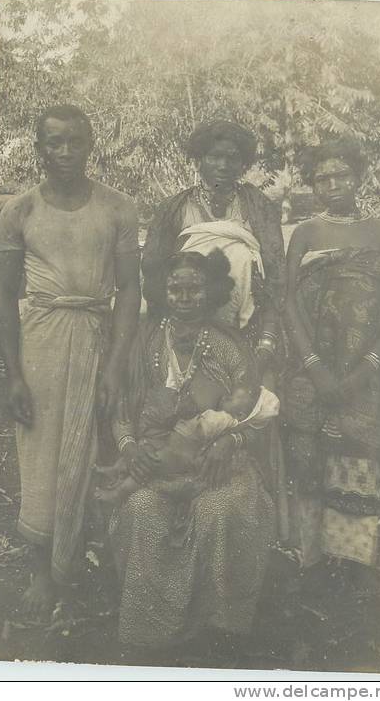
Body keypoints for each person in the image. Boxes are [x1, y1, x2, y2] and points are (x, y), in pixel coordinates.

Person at [0, 104, 141, 616]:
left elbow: (129, 289)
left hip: (99, 336)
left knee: (100, 448)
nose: (64, 152)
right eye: (53, 142)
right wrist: (13, 375)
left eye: (74, 141)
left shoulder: (119, 208)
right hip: (43, 342)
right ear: (38, 147)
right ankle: (43, 570)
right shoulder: (19, 211)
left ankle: (87, 560)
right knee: (42, 452)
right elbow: (2, 296)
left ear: (90, 144)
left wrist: (117, 366)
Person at [108, 250, 283, 649]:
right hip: (154, 465)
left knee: (218, 511)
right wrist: (130, 447)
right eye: (175, 289)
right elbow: (122, 409)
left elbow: (254, 411)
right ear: (162, 291)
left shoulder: (228, 345)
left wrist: (230, 440)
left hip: (218, 465)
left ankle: (217, 629)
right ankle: (151, 630)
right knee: (141, 510)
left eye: (194, 289)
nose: (185, 297)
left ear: (212, 292)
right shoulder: (145, 340)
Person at [283, 138, 380, 577]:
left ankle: (353, 556)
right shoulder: (305, 233)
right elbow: (288, 303)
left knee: (359, 450)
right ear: (312, 185)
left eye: (340, 175)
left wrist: (371, 363)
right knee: (309, 452)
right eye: (322, 179)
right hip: (311, 365)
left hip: (366, 368)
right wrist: (314, 367)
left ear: (358, 177)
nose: (332, 185)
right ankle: (310, 557)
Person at [142, 119, 286, 385]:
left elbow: (276, 273)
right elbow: (153, 273)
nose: (223, 165)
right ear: (199, 160)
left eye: (232, 158)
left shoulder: (256, 206)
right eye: (214, 157)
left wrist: (267, 340)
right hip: (184, 330)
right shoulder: (174, 209)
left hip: (248, 328)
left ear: (243, 164)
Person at [94, 383, 280, 505]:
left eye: (230, 398)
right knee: (146, 450)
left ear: (240, 415)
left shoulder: (224, 420)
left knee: (150, 463)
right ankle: (115, 470)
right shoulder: (222, 416)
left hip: (179, 455)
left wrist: (188, 414)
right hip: (172, 443)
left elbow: (200, 430)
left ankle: (120, 493)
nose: (224, 397)